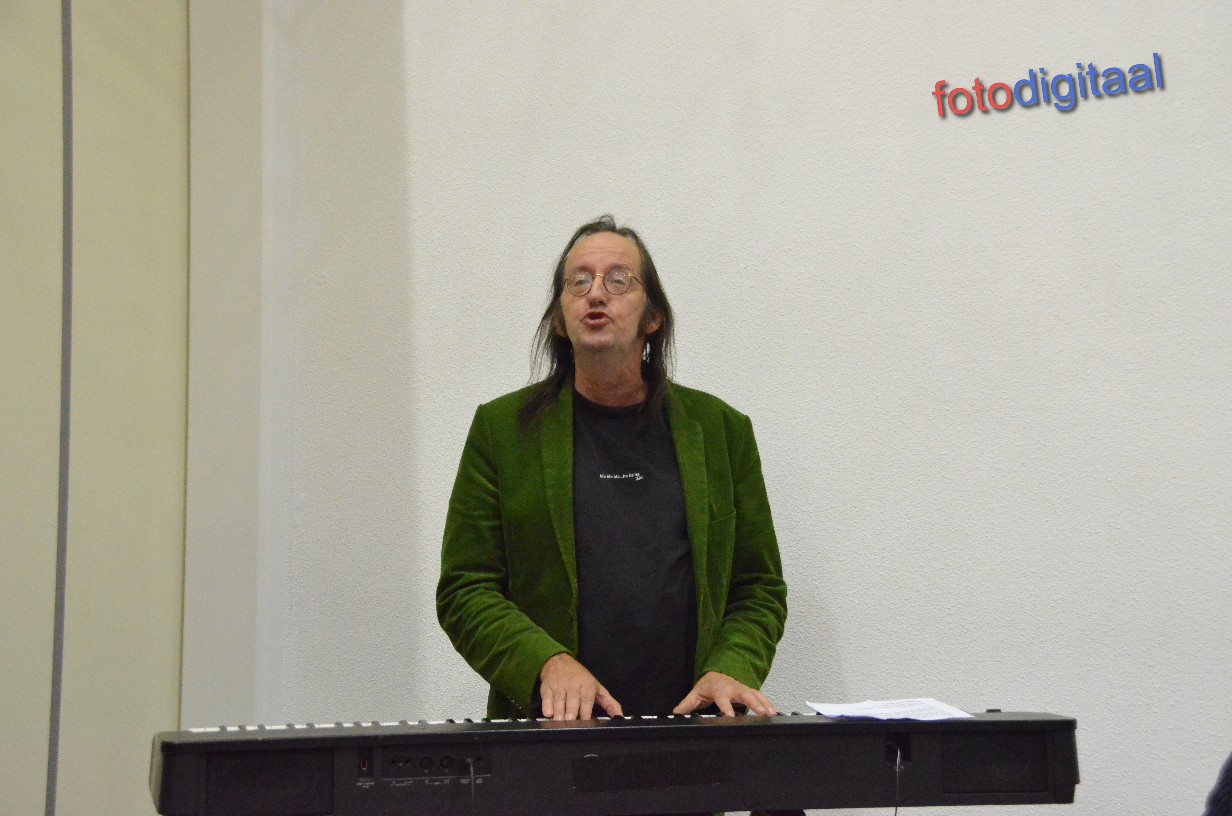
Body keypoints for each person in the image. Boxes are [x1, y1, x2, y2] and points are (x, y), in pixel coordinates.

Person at [437, 215, 787, 725]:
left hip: (693, 731)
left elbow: (759, 588)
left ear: (653, 317)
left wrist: (731, 668)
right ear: (560, 320)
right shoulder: (502, 431)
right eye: (578, 282)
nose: (596, 293)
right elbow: (465, 588)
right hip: (552, 733)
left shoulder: (721, 431)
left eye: (618, 280)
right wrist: (546, 664)